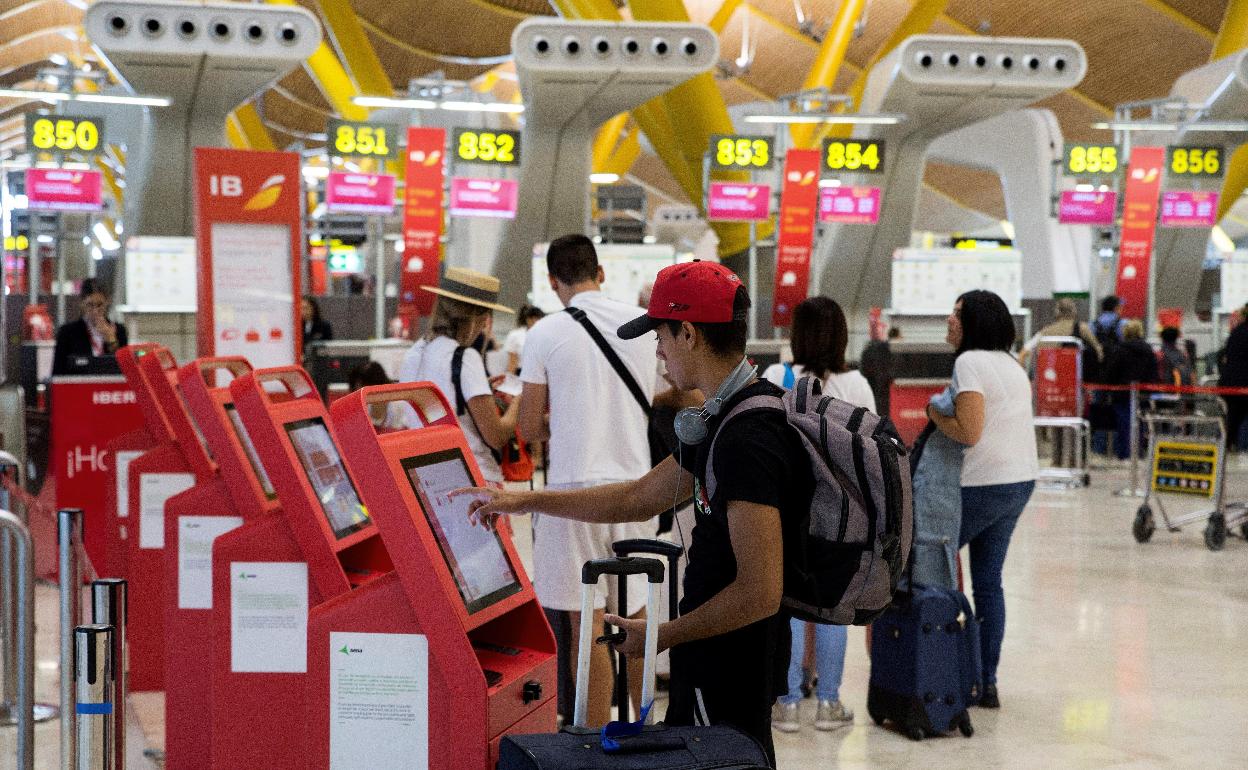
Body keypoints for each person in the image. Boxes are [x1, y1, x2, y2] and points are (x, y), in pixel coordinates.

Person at [459, 260, 803, 764]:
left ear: (688, 334)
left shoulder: (747, 435)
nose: (657, 351)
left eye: (661, 336)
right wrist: (523, 500)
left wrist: (662, 636)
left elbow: (760, 591)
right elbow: (637, 497)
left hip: (730, 664)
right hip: (708, 654)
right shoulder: (720, 419)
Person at [516, 234, 658, 725]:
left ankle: (594, 743)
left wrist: (562, 420)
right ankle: (644, 732)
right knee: (636, 617)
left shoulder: (544, 332)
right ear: (600, 274)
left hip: (573, 495)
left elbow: (527, 425)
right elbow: (667, 393)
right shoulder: (640, 326)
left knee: (588, 624)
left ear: (553, 282)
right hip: (637, 489)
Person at [925, 290, 1037, 709]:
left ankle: (939, 671)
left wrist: (934, 413)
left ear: (975, 322)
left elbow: (968, 431)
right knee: (988, 582)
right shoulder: (1011, 363)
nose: (949, 319)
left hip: (982, 484)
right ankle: (985, 681)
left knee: (929, 567)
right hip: (1018, 481)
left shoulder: (969, 362)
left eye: (957, 313)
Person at [761, 296, 865, 733]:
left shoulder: (776, 377)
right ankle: (828, 703)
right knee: (832, 606)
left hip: (788, 507)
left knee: (787, 601)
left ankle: (785, 704)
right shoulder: (856, 385)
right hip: (842, 513)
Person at [398, 267, 520, 485]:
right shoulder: (465, 357)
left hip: (426, 478)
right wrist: (520, 401)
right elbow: (497, 436)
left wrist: (479, 388)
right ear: (479, 318)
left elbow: (440, 402)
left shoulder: (413, 354)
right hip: (473, 478)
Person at [1103, 320, 1159, 460]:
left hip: (1122, 394)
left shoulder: (1119, 350)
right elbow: (1153, 373)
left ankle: (1125, 454)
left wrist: (1108, 387)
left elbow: (1111, 372)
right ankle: (1137, 453)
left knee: (1123, 425)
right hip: (1143, 394)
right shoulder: (1148, 350)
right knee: (1139, 423)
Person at [53, 280, 128, 375]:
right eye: (90, 305)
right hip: (79, 382)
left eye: (100, 305)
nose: (95, 311)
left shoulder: (119, 331)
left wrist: (111, 340)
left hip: (109, 382)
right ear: (82, 303)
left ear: (107, 302)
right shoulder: (67, 332)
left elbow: (125, 369)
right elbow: (58, 372)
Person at [1019, 298, 1103, 375]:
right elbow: (1099, 351)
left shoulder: (1045, 332)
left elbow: (1022, 354)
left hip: (1049, 378)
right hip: (1075, 379)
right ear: (1074, 311)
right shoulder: (1082, 328)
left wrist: (1025, 377)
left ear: (1057, 312)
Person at [346, 361, 408, 431]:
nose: (360, 397)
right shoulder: (359, 410)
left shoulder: (400, 406)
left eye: (363, 389)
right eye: (357, 391)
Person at [1218, 306, 1248, 450]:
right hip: (1242, 385)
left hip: (1230, 385)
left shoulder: (1236, 332)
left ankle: (1226, 447)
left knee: (1232, 420)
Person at [860, 326, 900, 421]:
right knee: (882, 406)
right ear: (897, 336)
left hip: (872, 380)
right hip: (881, 382)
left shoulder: (873, 347)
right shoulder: (889, 349)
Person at [503, 304, 545, 378]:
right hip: (521, 373)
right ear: (528, 319)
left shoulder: (545, 335)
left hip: (540, 373)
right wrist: (509, 379)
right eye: (536, 319)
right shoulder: (516, 335)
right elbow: (512, 362)